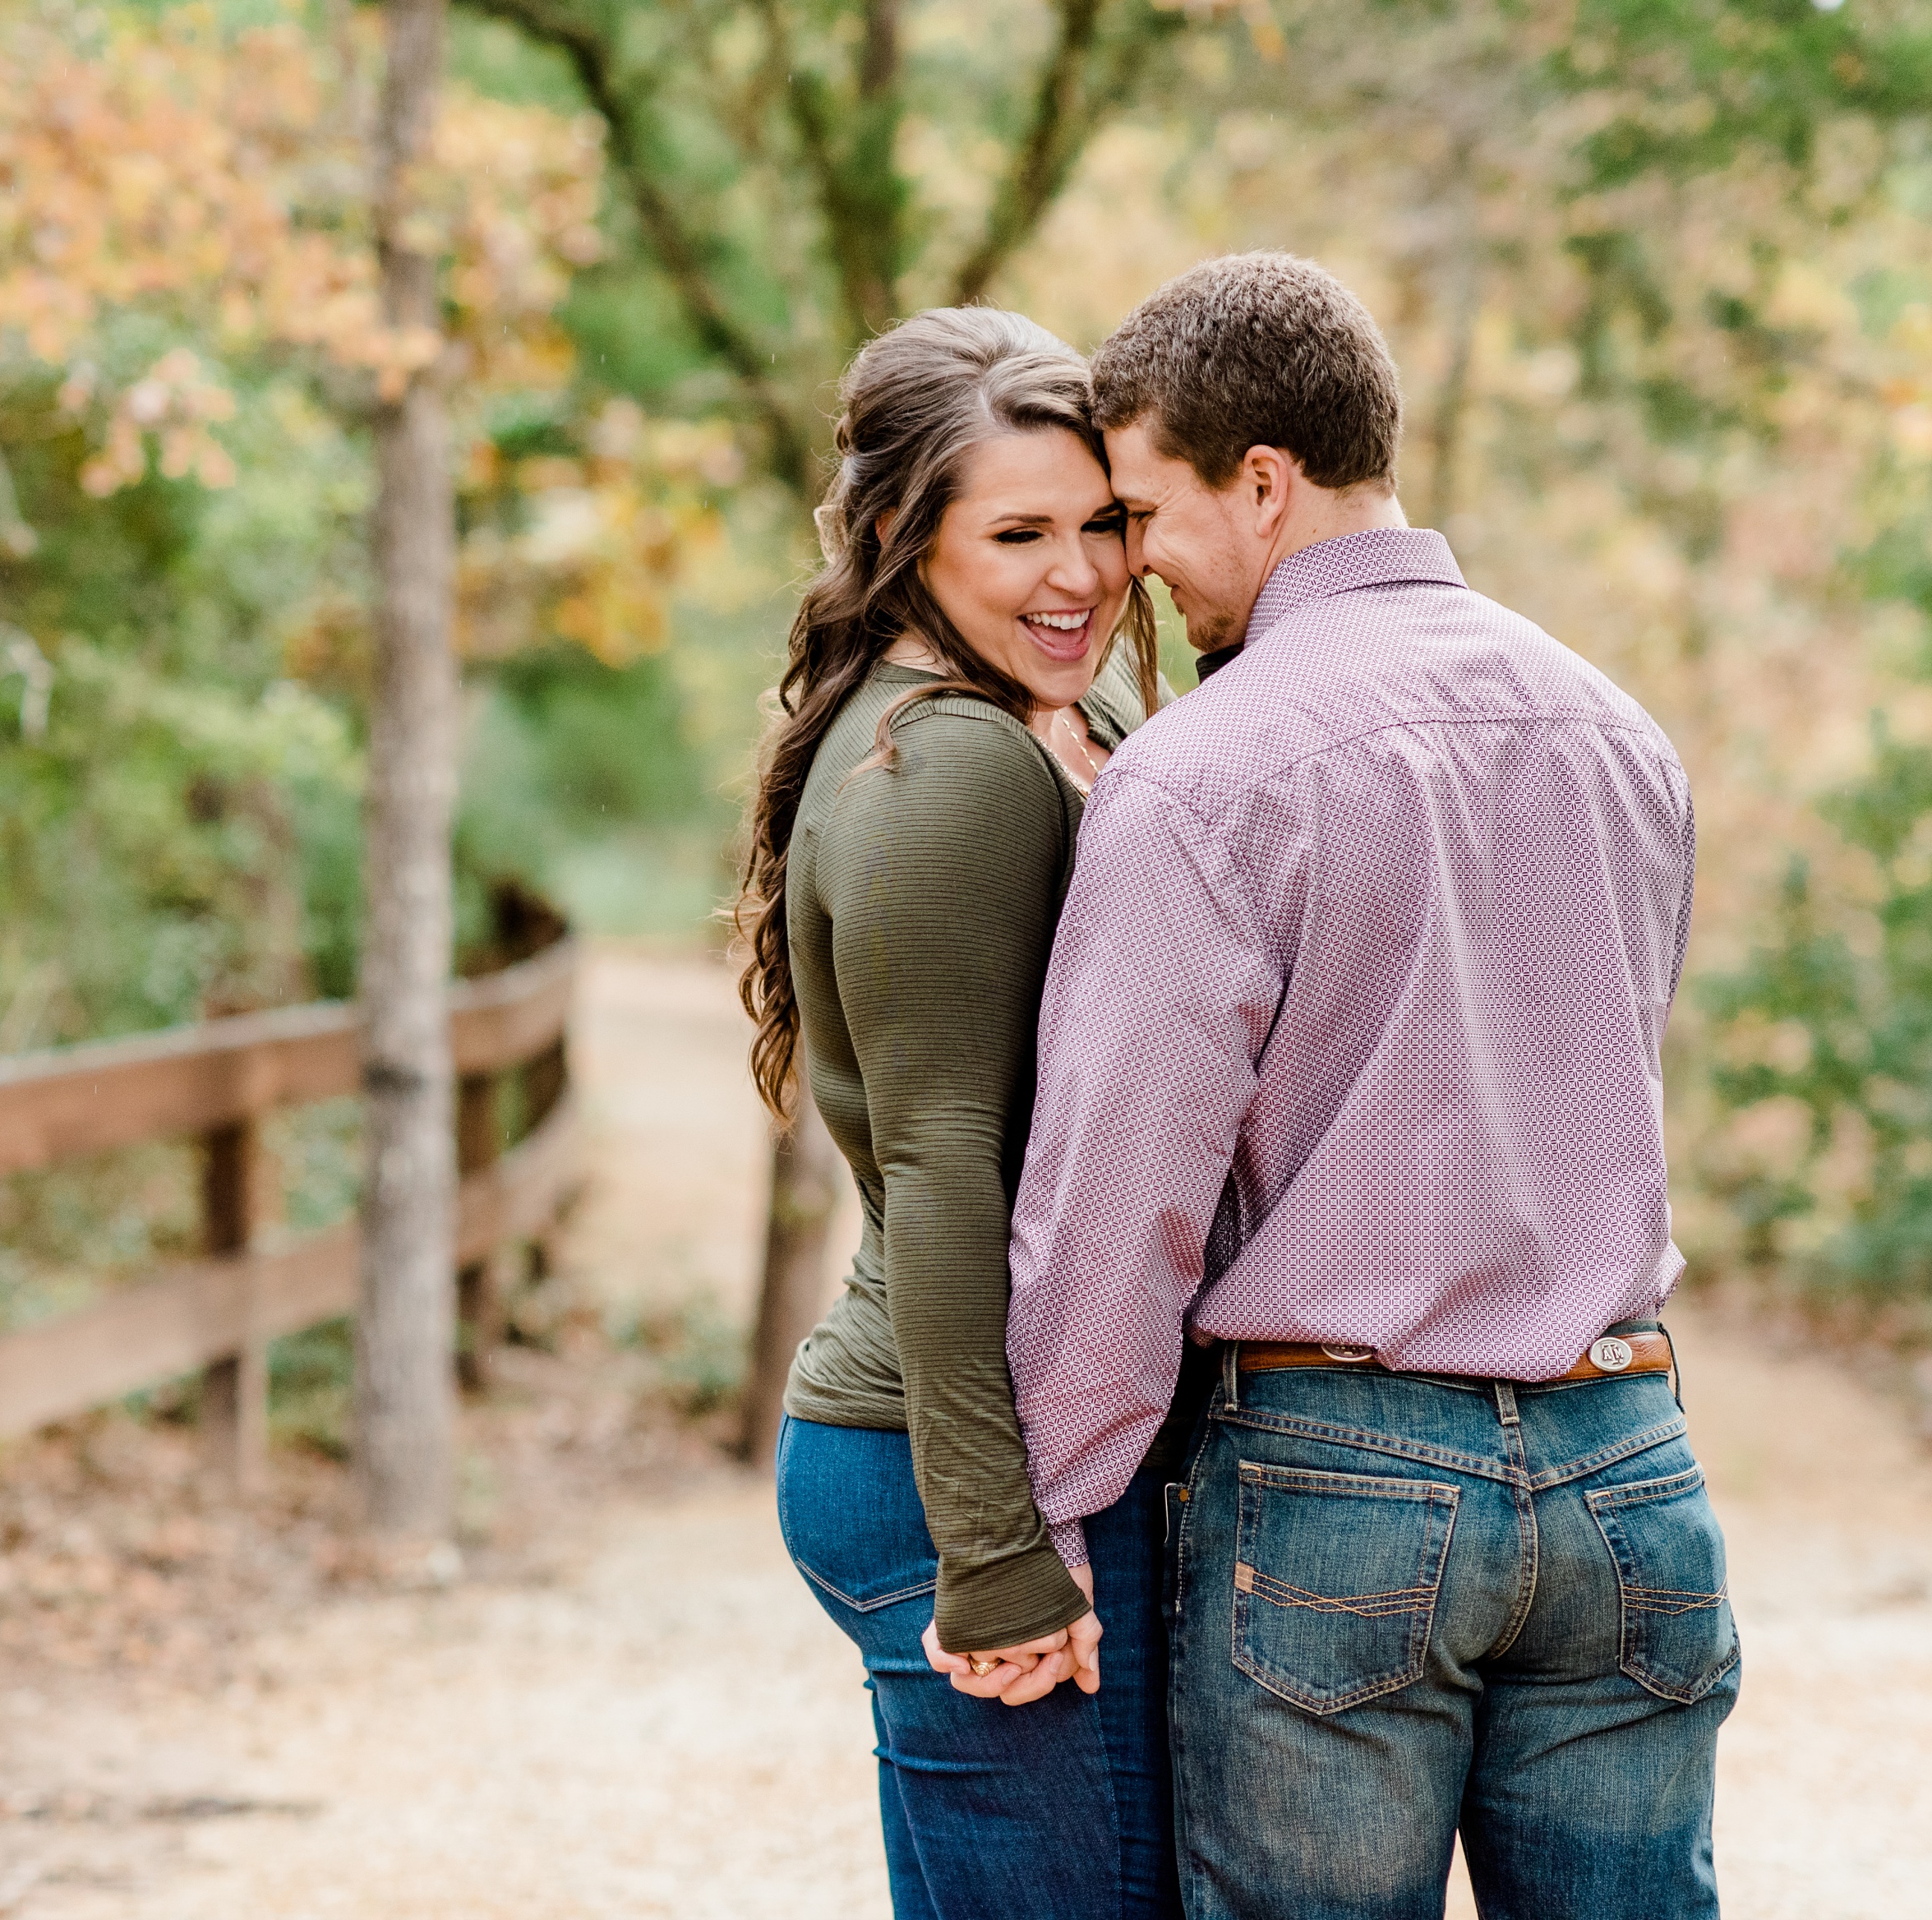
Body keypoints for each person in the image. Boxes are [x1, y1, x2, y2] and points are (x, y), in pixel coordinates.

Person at [1006, 252, 1736, 1920]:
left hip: (1341, 1475)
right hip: (1627, 1452)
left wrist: (1046, 1505)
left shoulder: (1199, 771)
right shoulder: (1617, 734)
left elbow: (1122, 1195)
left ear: (1259, 483)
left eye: (1140, 512)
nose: (1127, 571)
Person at [736, 305, 1179, 1920]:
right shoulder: (951, 766)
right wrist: (991, 1551)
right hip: (950, 1471)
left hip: (999, 1445)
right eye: (1018, 535)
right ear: (896, 536)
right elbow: (940, 1168)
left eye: (1103, 526)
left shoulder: (1046, 722)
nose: (1078, 576)